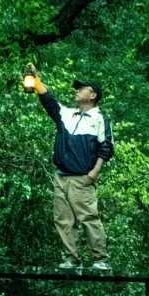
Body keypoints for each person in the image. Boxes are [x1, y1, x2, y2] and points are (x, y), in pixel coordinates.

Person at [25, 64, 114, 271]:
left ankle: (100, 259)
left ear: (92, 95)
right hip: (61, 176)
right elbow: (49, 100)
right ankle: (71, 259)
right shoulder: (66, 114)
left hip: (82, 178)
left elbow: (107, 147)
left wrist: (93, 173)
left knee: (89, 218)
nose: (76, 90)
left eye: (81, 88)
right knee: (62, 219)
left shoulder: (100, 119)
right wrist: (35, 78)